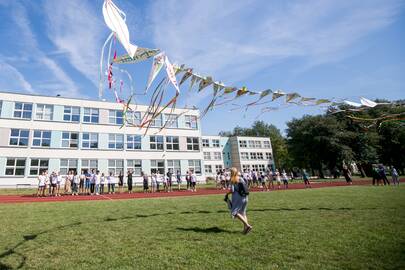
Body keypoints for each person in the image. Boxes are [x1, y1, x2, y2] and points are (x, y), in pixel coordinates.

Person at [225, 167, 252, 234]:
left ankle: (247, 225)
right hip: (245, 196)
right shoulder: (241, 178)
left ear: (231, 172)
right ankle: (245, 229)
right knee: (243, 213)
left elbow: (232, 190)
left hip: (238, 198)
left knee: (234, 212)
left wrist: (227, 194)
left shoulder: (233, 179)